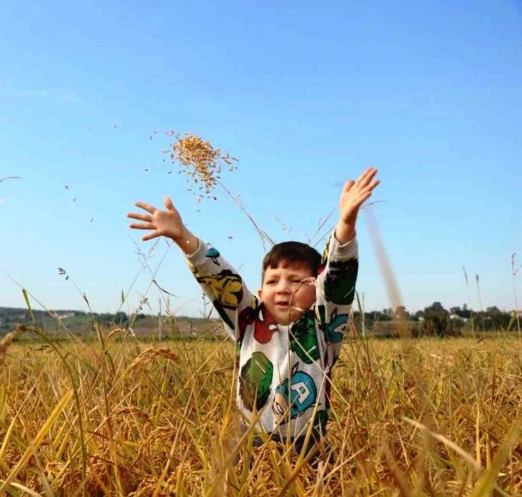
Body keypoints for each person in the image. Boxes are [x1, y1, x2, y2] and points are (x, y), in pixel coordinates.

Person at [127, 167, 380, 464]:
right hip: (250, 440)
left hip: (310, 444)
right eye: (273, 282)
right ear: (260, 292)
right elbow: (219, 280)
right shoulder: (246, 319)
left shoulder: (324, 327)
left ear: (316, 289)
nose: (283, 289)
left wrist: (346, 224)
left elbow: (338, 279)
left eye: (297, 281)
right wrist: (184, 238)